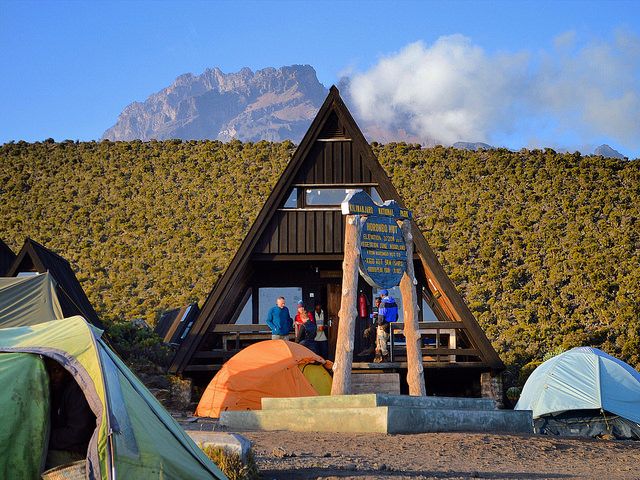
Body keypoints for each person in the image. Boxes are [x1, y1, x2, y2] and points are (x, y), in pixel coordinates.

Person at [45, 358, 96, 469]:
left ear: (67, 370)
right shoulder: (56, 391)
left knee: (40, 459)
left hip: (79, 452)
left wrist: (45, 439)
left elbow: (77, 432)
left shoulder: (76, 391)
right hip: (65, 447)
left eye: (57, 371)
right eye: (49, 372)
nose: (53, 377)